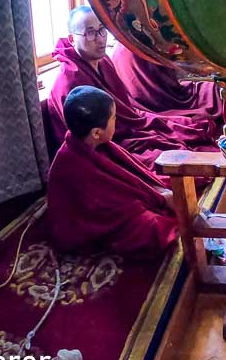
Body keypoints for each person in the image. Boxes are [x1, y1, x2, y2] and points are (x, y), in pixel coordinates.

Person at [47, 7, 219, 169]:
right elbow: (86, 140)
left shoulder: (104, 61)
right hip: (105, 144)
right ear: (72, 39)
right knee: (164, 158)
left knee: (182, 130)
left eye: (102, 29)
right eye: (90, 33)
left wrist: (141, 126)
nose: (100, 39)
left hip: (124, 127)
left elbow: (126, 111)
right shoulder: (70, 80)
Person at [46, 86, 178, 258]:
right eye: (114, 118)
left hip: (110, 202)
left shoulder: (93, 141)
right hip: (85, 221)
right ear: (96, 132)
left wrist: (156, 193)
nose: (117, 121)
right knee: (152, 228)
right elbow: (102, 208)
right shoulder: (70, 165)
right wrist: (154, 200)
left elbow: (127, 174)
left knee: (167, 186)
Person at [112, 44, 225, 124]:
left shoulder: (123, 39)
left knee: (214, 89)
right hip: (157, 99)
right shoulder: (144, 40)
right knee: (214, 94)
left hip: (155, 93)